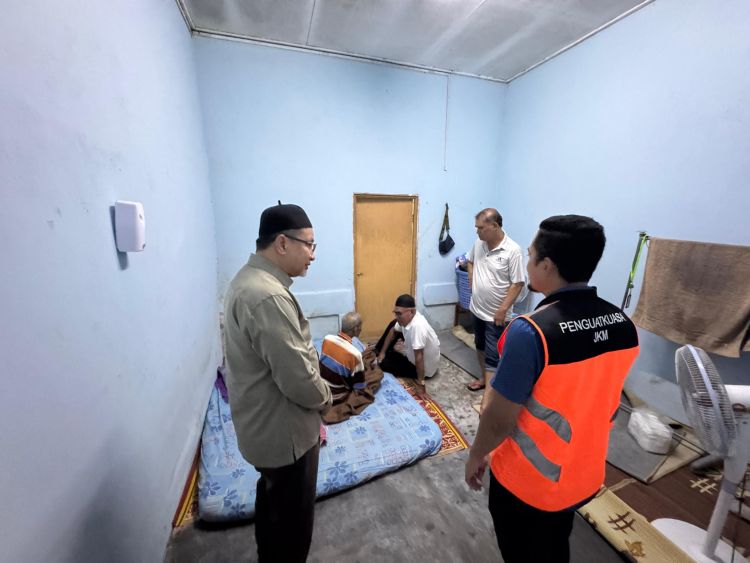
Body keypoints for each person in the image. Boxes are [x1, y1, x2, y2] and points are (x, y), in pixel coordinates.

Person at [464, 215, 640, 563]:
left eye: (531, 256)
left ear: (546, 265)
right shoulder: (623, 325)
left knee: (522, 551)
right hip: (583, 474)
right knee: (555, 540)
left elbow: (498, 418)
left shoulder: (530, 332)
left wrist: (476, 454)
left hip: (529, 482)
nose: (527, 263)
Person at [223, 203, 332, 563]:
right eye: (310, 245)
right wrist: (326, 399)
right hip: (286, 438)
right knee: (292, 529)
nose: (313, 255)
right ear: (283, 243)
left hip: (263, 430)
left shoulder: (248, 280)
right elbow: (298, 379)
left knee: (274, 507)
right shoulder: (267, 295)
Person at [465, 208, 527, 415]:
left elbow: (518, 283)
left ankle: (488, 400)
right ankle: (484, 380)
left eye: (480, 228)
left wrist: (502, 310)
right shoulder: (479, 244)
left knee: (494, 357)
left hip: (496, 315)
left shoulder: (513, 250)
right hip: (477, 309)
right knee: (480, 346)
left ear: (494, 226)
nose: (477, 231)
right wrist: (471, 276)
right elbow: (470, 261)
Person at [319, 311, 383, 423]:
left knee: (359, 364)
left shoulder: (327, 338)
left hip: (321, 386)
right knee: (377, 374)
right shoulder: (355, 354)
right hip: (338, 393)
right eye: (360, 326)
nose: (361, 329)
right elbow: (359, 386)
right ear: (355, 329)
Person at [375, 294, 440, 396]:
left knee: (384, 363)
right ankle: (378, 352)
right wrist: (382, 353)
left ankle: (382, 356)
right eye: (395, 313)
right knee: (394, 324)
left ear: (412, 312)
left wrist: (421, 385)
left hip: (425, 370)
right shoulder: (411, 317)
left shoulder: (418, 327)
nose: (397, 316)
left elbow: (419, 358)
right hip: (417, 357)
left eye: (399, 314)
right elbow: (392, 331)